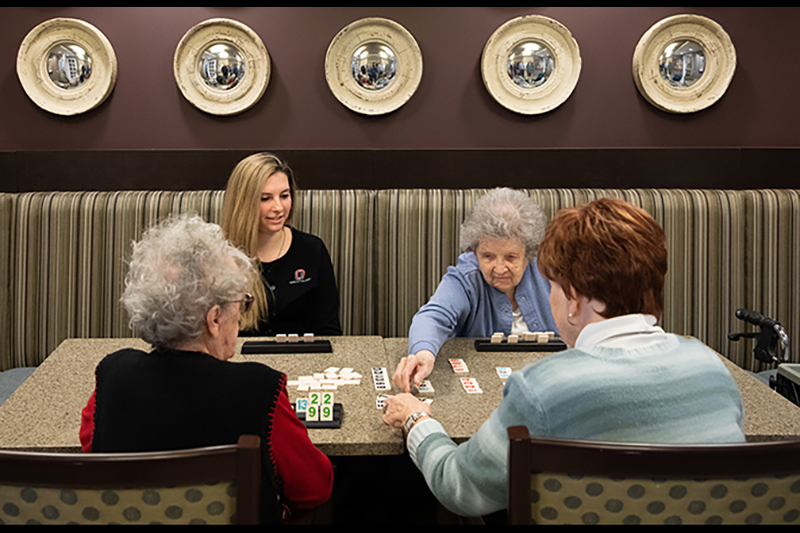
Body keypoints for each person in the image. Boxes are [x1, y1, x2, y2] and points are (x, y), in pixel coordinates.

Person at [382, 198, 745, 518]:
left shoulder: (544, 388)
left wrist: (416, 418)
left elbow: (459, 488)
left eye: (552, 285)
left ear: (573, 298)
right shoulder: (713, 367)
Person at [79, 215, 333, 524]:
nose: (239, 320)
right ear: (213, 319)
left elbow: (93, 454)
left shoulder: (111, 374)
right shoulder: (260, 389)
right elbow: (314, 488)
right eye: (242, 305)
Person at [392, 188, 558, 392]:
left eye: (510, 257)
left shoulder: (550, 271)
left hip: (550, 383)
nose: (499, 268)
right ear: (475, 250)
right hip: (485, 388)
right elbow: (432, 317)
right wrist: (423, 353)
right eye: (487, 256)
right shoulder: (466, 277)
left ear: (529, 253)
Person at [221, 152, 342, 337]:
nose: (278, 207)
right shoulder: (221, 258)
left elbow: (329, 331)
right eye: (265, 198)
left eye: (284, 196)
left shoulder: (313, 250)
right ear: (244, 203)